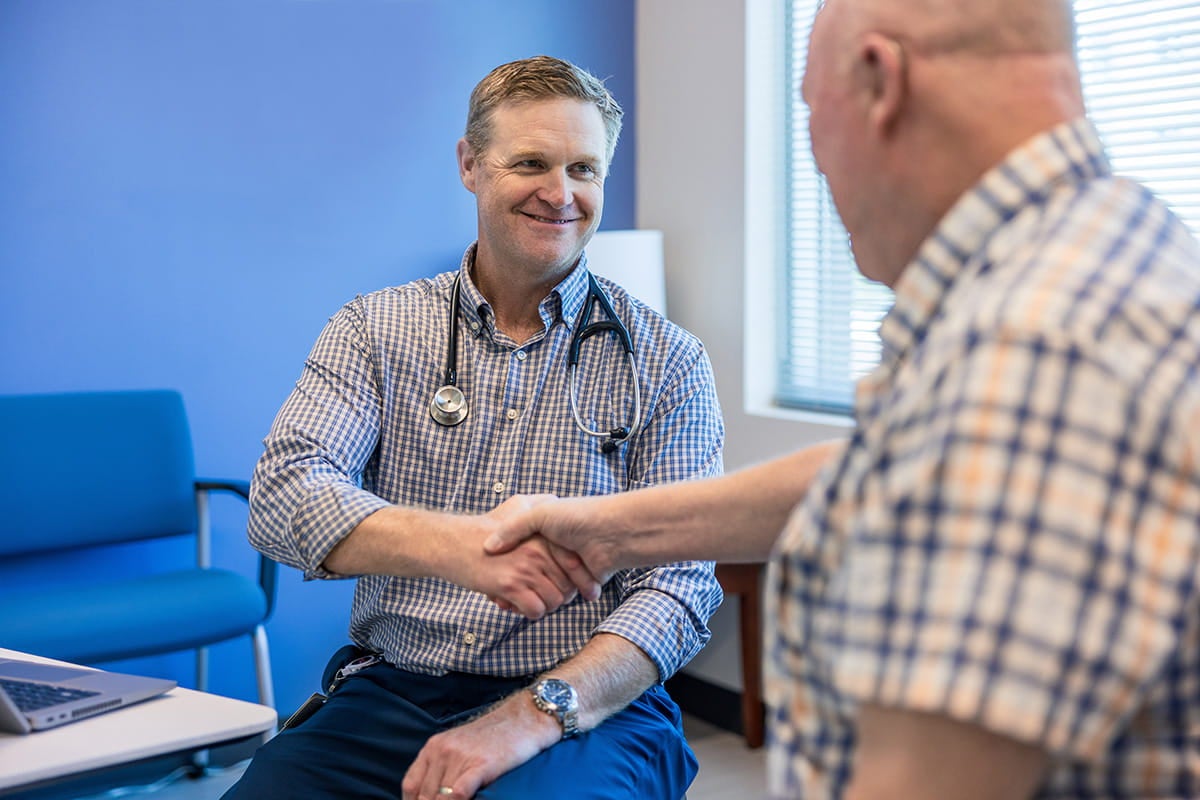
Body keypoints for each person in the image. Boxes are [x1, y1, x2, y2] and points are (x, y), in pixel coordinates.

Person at [486, 1, 1200, 797]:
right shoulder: (1102, 250)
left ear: (879, 81)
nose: (817, 160)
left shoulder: (1031, 347)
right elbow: (902, 457)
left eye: (810, 110)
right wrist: (614, 528)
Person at [223, 55, 724, 800]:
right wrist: (462, 549)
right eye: (531, 162)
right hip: (394, 692)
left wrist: (532, 715)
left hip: (587, 703)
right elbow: (283, 496)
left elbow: (679, 586)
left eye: (584, 169)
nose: (561, 194)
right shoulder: (376, 329)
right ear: (469, 164)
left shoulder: (667, 360)